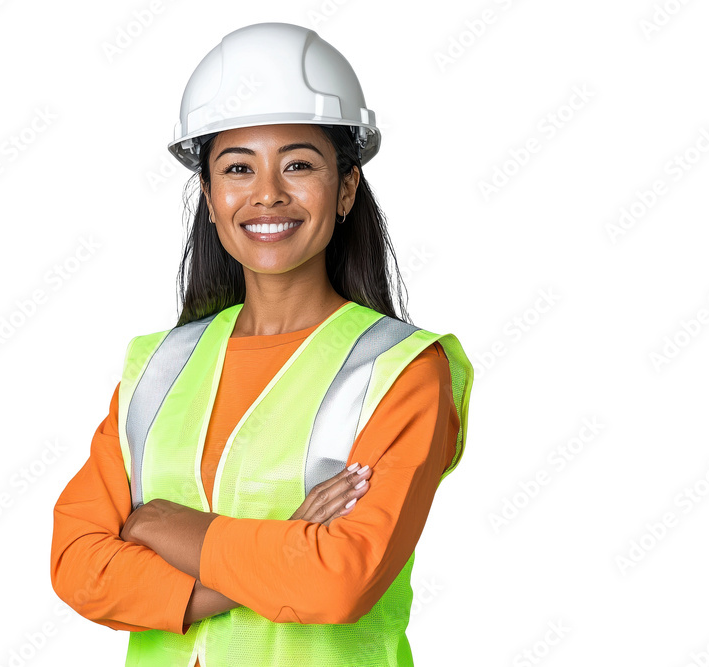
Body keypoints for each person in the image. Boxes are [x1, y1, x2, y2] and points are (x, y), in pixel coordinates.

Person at [50, 21, 474, 667]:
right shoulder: (158, 368)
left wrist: (161, 526)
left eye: (298, 164)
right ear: (209, 196)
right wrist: (283, 547)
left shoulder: (400, 371)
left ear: (346, 188)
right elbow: (78, 564)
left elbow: (338, 579)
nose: (268, 193)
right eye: (238, 168)